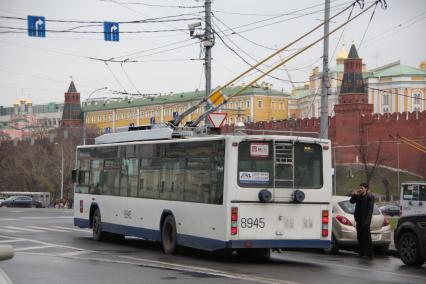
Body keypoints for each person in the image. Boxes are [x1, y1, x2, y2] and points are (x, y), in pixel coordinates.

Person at [350, 182, 375, 259]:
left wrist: (367, 221)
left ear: (366, 189)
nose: (360, 189)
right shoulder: (359, 196)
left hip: (365, 220)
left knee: (367, 237)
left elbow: (370, 210)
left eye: (362, 188)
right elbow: (351, 201)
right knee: (360, 236)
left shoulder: (370, 197)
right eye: (360, 188)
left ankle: (369, 253)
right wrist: (354, 194)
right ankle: (361, 252)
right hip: (359, 219)